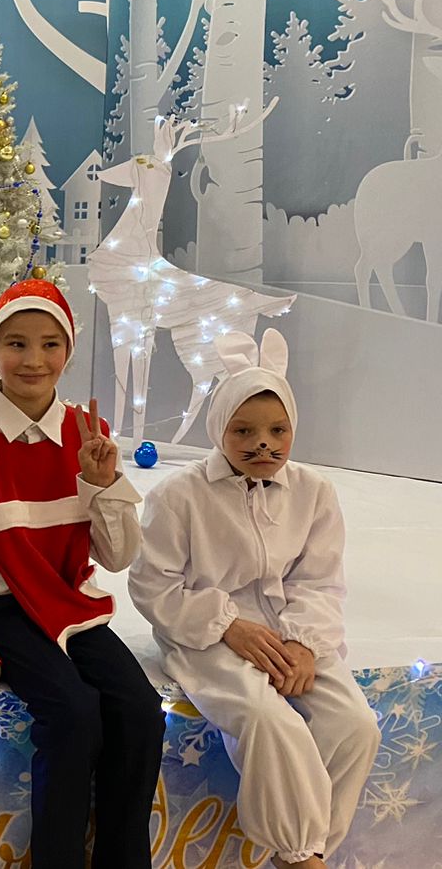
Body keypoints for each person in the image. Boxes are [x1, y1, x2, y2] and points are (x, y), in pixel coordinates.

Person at [0, 279, 163, 868]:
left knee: (139, 710)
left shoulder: (87, 435)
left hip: (67, 604)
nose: (33, 359)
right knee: (73, 713)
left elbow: (118, 556)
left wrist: (102, 485)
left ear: (68, 352)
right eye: (17, 343)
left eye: (50, 344)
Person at [130, 329, 379, 869]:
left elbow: (319, 579)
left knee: (355, 724)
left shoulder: (314, 492)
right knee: (269, 721)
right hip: (203, 635)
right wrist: (227, 626)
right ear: (219, 429)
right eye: (243, 430)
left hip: (290, 630)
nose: (262, 444)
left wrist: (305, 642)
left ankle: (310, 850)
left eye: (277, 430)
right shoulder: (178, 495)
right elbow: (153, 585)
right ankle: (298, 855)